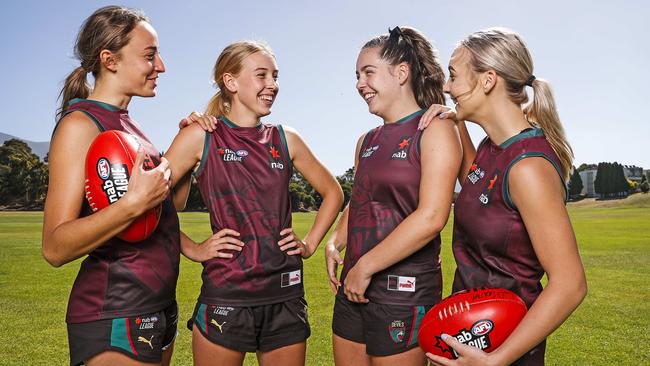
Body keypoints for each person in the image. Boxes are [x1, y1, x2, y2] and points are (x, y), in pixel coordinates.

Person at [163, 40, 344, 366]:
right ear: (230, 81)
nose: (272, 85)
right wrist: (193, 248)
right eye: (262, 75)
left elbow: (334, 192)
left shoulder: (286, 138)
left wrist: (309, 243)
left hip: (285, 295)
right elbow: (151, 203)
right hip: (226, 294)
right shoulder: (199, 136)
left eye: (275, 76)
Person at [418, 28, 588, 366]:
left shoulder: (529, 168)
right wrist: (455, 121)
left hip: (503, 351)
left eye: (453, 76)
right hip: (473, 337)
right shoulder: (491, 147)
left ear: (488, 80)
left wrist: (497, 359)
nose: (448, 88)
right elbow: (482, 192)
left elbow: (571, 284)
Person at [42, 6, 181, 366]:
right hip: (115, 312)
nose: (161, 66)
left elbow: (162, 215)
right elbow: (55, 247)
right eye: (150, 55)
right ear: (110, 60)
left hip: (157, 306)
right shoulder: (80, 126)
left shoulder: (128, 128)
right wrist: (131, 206)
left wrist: (188, 145)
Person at [324, 26, 462, 365]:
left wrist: (365, 267)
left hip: (405, 294)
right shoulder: (366, 141)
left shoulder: (437, 129)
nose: (359, 84)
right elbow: (360, 201)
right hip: (353, 289)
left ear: (401, 73)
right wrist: (334, 242)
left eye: (368, 73)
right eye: (357, 75)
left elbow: (431, 218)